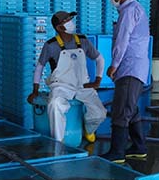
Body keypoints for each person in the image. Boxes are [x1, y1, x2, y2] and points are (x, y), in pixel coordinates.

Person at [26, 11, 106, 144]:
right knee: (55, 104)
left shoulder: (83, 41)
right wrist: (35, 90)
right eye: (66, 20)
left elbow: (99, 59)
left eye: (71, 19)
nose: (71, 22)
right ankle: (59, 142)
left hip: (82, 85)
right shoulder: (50, 45)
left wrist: (98, 79)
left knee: (99, 113)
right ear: (59, 28)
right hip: (61, 86)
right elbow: (39, 67)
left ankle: (89, 129)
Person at [99, 0, 151, 163]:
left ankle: (117, 152)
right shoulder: (138, 8)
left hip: (129, 67)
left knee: (121, 110)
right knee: (131, 107)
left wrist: (114, 65)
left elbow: (122, 40)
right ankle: (138, 146)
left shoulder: (128, 12)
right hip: (136, 66)